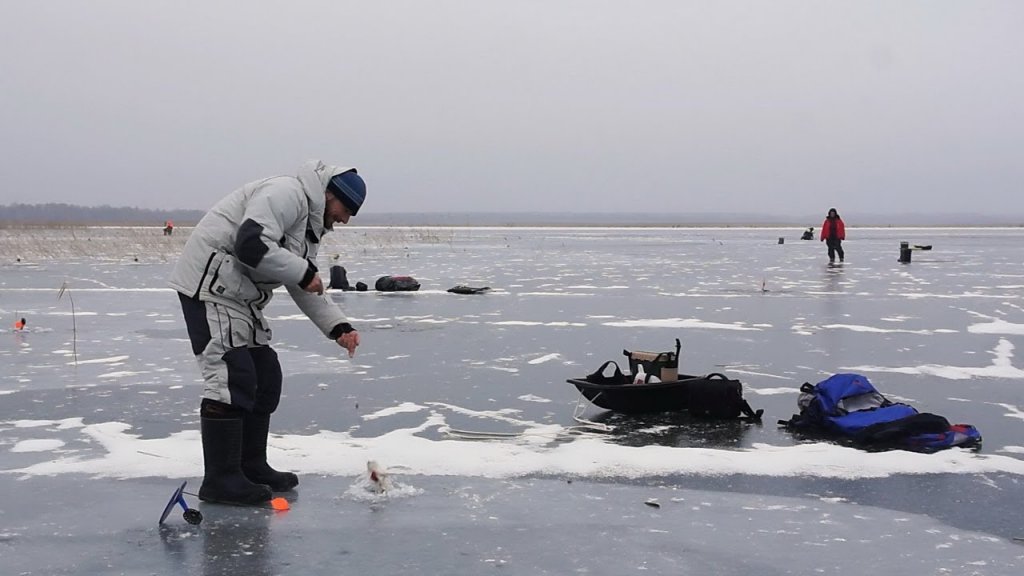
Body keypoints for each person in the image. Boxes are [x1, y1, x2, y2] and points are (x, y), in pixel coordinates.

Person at [169, 160, 365, 505]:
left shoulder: (308, 225)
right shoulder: (286, 193)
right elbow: (251, 244)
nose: (345, 219)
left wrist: (339, 326)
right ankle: (220, 479)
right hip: (209, 287)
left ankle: (251, 465)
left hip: (240, 296)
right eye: (345, 209)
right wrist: (304, 272)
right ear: (330, 194)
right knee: (232, 376)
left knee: (265, 374)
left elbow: (300, 277)